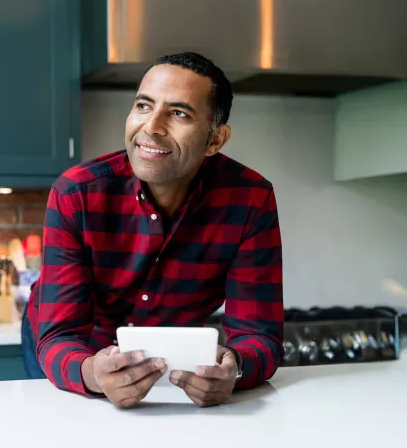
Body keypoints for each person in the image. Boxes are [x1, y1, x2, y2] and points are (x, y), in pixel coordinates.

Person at [20, 51, 284, 408]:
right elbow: (58, 337)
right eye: (144, 106)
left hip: (167, 361)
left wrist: (234, 368)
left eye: (178, 113)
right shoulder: (75, 195)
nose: (152, 127)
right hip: (76, 352)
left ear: (215, 140)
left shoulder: (250, 201)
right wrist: (92, 373)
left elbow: (259, 336)